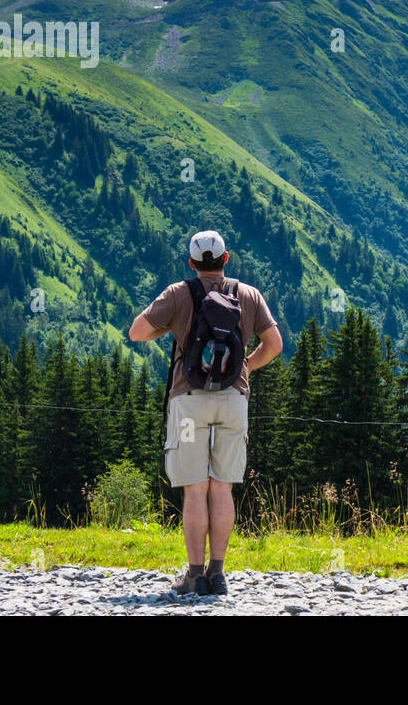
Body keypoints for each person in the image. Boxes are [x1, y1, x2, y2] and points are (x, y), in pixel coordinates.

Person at [129, 230, 283, 596]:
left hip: (188, 402)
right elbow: (274, 345)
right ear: (226, 259)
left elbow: (137, 332)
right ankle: (219, 574)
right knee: (223, 488)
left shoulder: (178, 293)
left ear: (192, 263)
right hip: (233, 400)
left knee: (195, 489)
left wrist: (170, 325)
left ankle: (194, 575)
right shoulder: (248, 295)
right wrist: (246, 364)